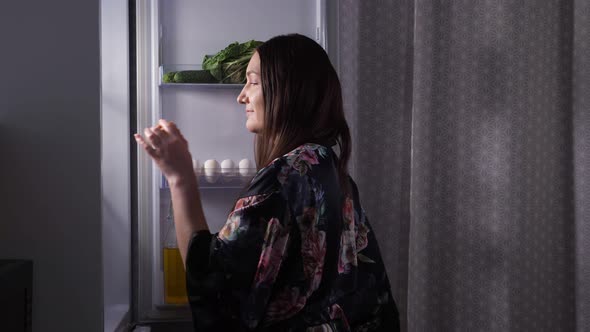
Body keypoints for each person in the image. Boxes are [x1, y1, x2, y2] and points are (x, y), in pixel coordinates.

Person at [134, 33, 400, 331]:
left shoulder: (285, 176)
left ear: (287, 90)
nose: (241, 95)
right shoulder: (329, 166)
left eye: (253, 81)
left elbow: (216, 284)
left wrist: (179, 177)